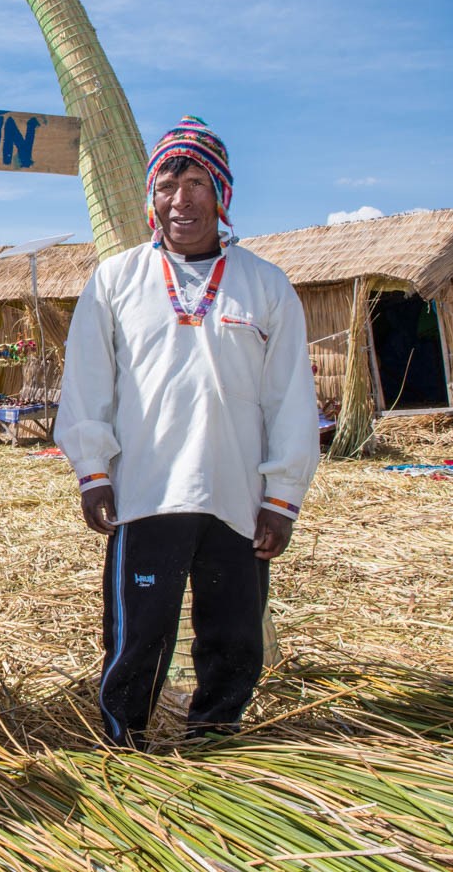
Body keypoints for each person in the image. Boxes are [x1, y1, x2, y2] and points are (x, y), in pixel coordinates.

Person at [56, 116, 320, 749]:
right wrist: (93, 473)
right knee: (139, 629)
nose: (183, 199)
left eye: (198, 181)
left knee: (233, 629)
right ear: (153, 196)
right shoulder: (116, 281)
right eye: (169, 182)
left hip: (236, 493)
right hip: (146, 490)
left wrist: (282, 498)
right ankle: (126, 737)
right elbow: (87, 384)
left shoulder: (266, 284)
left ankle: (214, 732)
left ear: (221, 194)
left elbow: (290, 399)